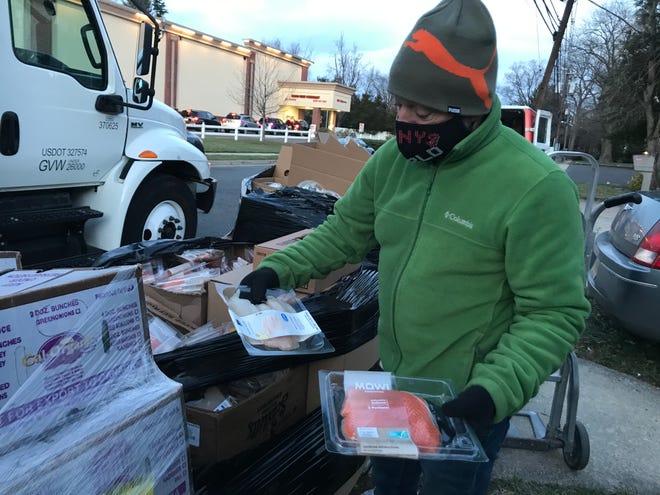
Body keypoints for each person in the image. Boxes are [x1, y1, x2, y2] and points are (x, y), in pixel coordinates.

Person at [240, 0, 591, 493]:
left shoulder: (536, 187)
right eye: (399, 103)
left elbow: (554, 313)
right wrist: (279, 270)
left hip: (466, 399)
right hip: (396, 382)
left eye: (422, 110)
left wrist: (494, 391)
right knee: (390, 484)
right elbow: (345, 232)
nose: (404, 119)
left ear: (467, 110)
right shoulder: (392, 161)